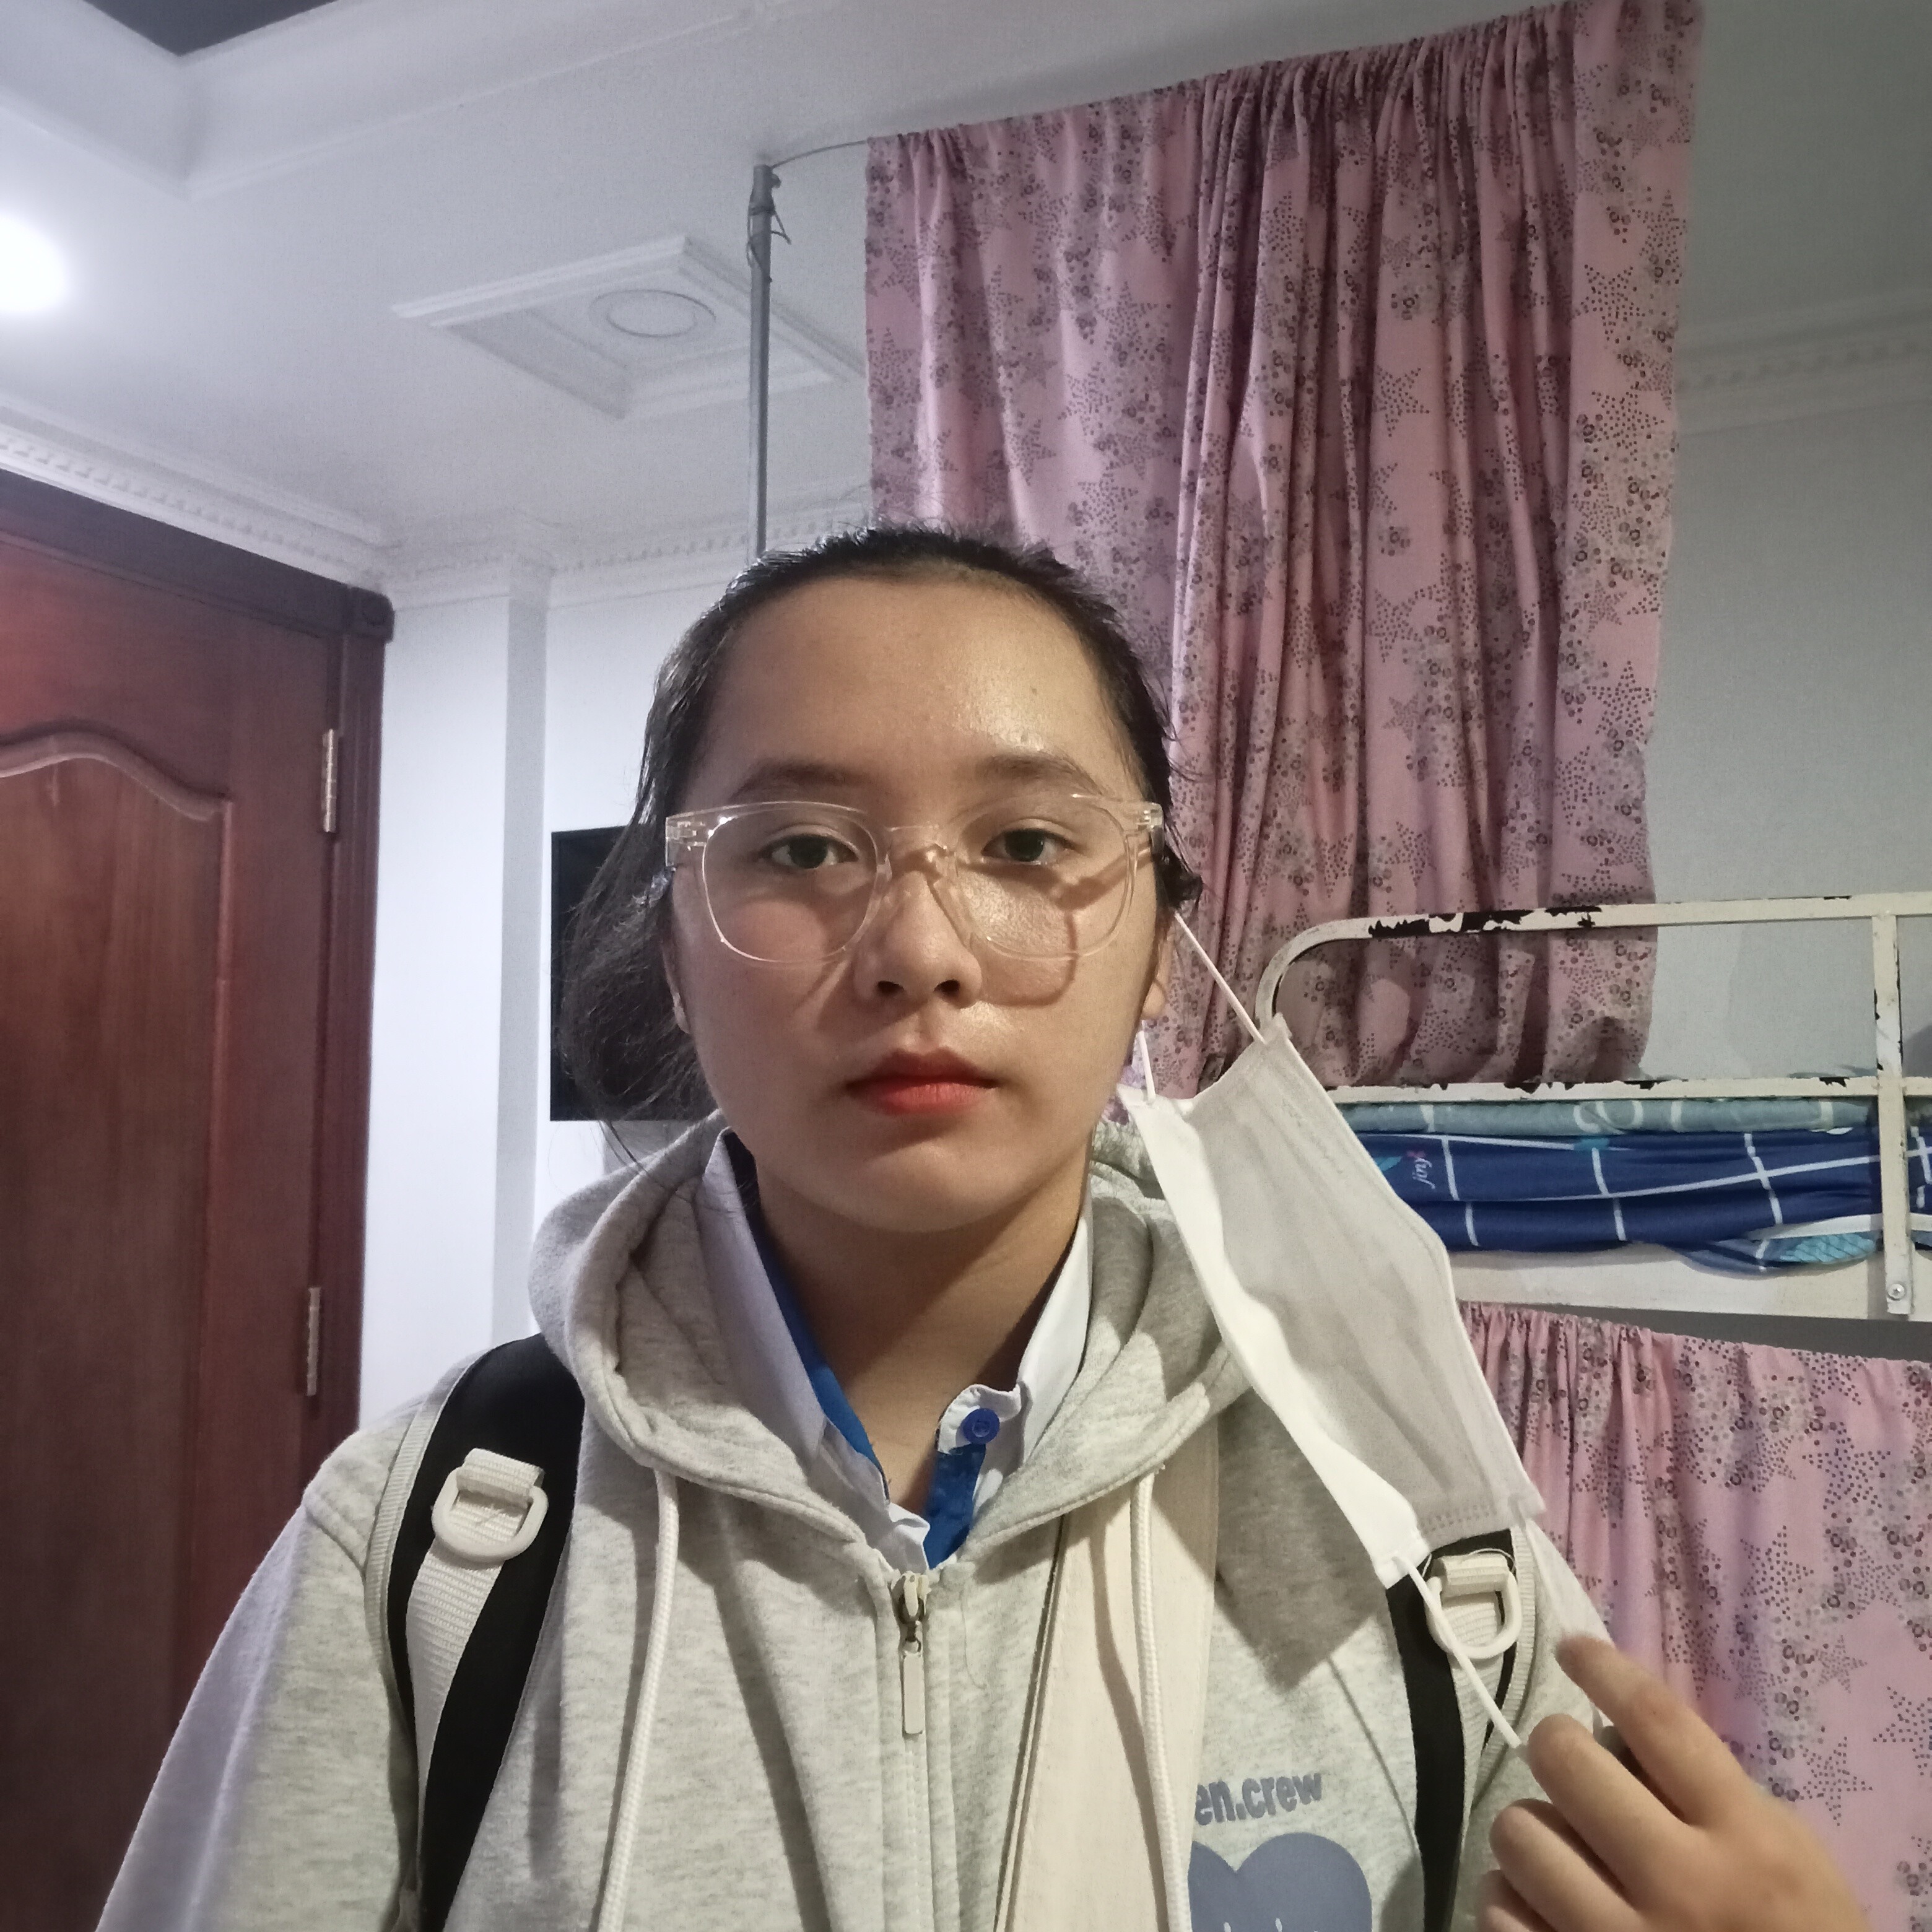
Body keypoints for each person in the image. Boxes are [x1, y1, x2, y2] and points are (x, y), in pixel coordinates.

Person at [98, 526, 1868, 1931]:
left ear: (1161, 946)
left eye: (1026, 844)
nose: (920, 952)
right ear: (678, 950)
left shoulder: (1396, 1501)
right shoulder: (440, 1539)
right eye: (803, 850)